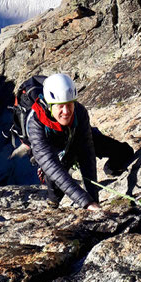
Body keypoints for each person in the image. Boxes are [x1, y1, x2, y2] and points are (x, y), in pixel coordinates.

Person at [25, 73, 101, 210]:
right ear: (49, 105)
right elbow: (52, 166)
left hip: (71, 139)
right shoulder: (35, 124)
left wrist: (94, 200)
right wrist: (87, 202)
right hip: (52, 152)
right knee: (56, 173)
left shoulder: (79, 112)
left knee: (117, 150)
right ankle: (53, 201)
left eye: (69, 104)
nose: (66, 111)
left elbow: (87, 155)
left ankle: (114, 168)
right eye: (60, 106)